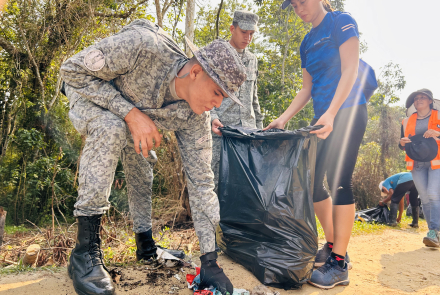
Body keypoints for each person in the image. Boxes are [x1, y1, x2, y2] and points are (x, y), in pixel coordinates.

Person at [60, 19, 247, 295]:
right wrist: (130, 114)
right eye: (217, 92)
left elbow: (202, 184)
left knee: (142, 154)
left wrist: (210, 261)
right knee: (111, 127)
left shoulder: (196, 117)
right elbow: (72, 70)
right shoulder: (143, 47)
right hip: (88, 90)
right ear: (195, 71)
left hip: (129, 108)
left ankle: (145, 245)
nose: (218, 104)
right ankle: (84, 251)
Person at [268, 0, 372, 289]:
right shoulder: (306, 42)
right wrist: (283, 118)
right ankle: (333, 243)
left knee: (340, 180)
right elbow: (306, 88)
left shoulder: (341, 22)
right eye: (294, 5)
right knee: (314, 183)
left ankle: (339, 264)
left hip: (348, 111)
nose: (299, 8)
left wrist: (332, 111)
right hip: (322, 119)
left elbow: (350, 69)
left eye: (303, 2)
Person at [211, 10, 264, 195]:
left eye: (252, 34)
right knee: (217, 181)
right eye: (244, 32)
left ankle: (241, 224)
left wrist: (260, 129)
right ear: (233, 28)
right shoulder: (217, 54)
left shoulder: (252, 60)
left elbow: (253, 98)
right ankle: (217, 223)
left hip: (248, 132)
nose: (248, 38)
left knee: (246, 184)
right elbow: (204, 92)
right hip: (222, 131)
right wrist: (212, 117)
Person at [400, 89, 440, 247]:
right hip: (416, 163)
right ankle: (433, 232)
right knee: (424, 197)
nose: (419, 100)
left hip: (436, 161)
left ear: (430, 101)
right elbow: (401, 144)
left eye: (423, 97)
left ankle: (435, 230)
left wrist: (438, 133)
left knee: (433, 193)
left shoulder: (438, 115)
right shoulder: (407, 120)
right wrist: (401, 143)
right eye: (416, 98)